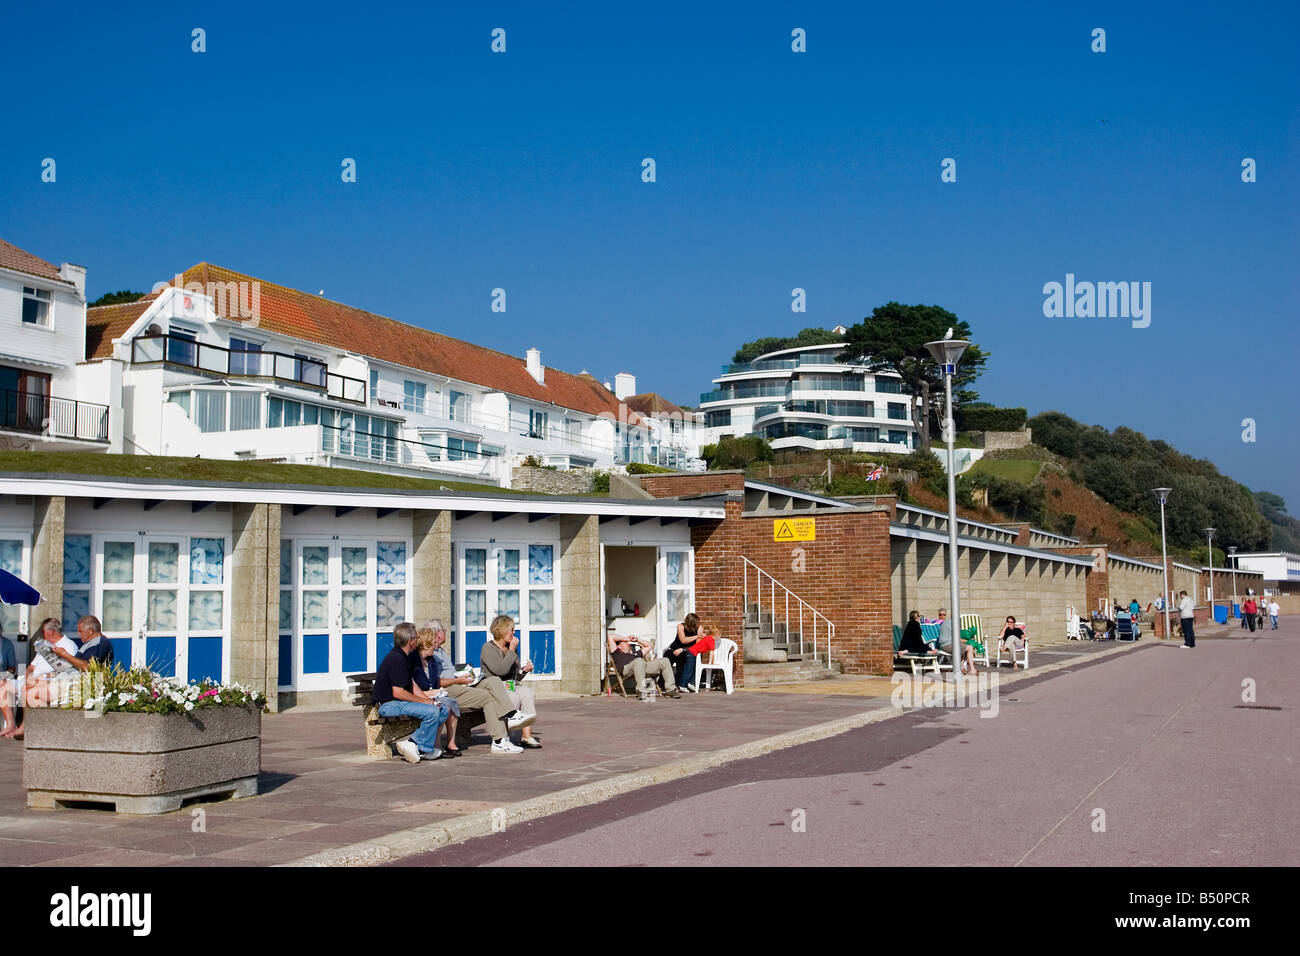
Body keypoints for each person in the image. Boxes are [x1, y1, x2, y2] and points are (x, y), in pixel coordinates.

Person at [418, 621, 529, 753]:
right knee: (489, 697)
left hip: (459, 684)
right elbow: (434, 682)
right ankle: (499, 740)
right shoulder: (430, 653)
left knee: (493, 681)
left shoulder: (439, 651)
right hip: (449, 689)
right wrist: (458, 680)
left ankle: (512, 714)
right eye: (443, 631)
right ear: (437, 634)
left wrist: (463, 677)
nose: (445, 634)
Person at [373, 622, 447, 763]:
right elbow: (398, 692)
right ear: (410, 641)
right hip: (388, 704)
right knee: (433, 712)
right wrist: (424, 702)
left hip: (398, 702)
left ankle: (418, 746)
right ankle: (417, 745)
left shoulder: (405, 657)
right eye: (417, 638)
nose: (418, 640)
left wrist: (429, 700)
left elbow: (412, 685)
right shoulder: (396, 659)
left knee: (442, 709)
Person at [1, 618, 79, 740]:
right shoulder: (44, 645)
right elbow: (32, 666)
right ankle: (11, 724)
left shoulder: (68, 645)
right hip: (33, 678)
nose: (42, 634)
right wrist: (27, 677)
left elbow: (67, 671)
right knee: (3, 686)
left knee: (28, 690)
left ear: (51, 631)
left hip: (50, 681)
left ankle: (23, 727)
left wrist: (42, 677)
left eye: (43, 631)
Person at [479, 615, 541, 748]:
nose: (513, 633)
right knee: (512, 696)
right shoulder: (488, 648)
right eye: (511, 630)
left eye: (514, 630)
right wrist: (512, 650)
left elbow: (514, 676)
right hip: (494, 686)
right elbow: (500, 670)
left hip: (509, 684)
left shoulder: (510, 647)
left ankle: (526, 736)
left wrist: (524, 670)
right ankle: (503, 736)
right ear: (501, 630)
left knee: (527, 692)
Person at [607, 631, 681, 699]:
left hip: (642, 667)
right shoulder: (616, 652)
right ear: (619, 646)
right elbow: (610, 636)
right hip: (626, 668)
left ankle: (670, 690)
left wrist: (637, 639)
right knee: (639, 661)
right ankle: (640, 690)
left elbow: (649, 646)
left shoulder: (635, 653)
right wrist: (626, 637)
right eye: (625, 642)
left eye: (627, 642)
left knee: (665, 660)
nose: (628, 643)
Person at [49, 615, 115, 672]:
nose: (78, 634)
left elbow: (87, 667)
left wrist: (65, 655)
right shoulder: (90, 643)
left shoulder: (99, 644)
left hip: (88, 684)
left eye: (80, 631)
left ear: (90, 631)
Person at [664, 612, 703, 691]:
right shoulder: (680, 626)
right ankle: (662, 684)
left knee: (682, 659)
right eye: (695, 624)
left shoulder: (699, 628)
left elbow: (697, 646)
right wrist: (697, 636)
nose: (697, 625)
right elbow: (683, 640)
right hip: (674, 649)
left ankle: (679, 684)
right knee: (666, 660)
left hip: (686, 650)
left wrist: (683, 649)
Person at [934, 608, 978, 674]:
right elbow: (957, 639)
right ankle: (972, 669)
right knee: (970, 648)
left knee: (965, 648)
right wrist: (967, 641)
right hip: (948, 645)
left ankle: (961, 666)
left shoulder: (945, 622)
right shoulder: (955, 624)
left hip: (943, 645)